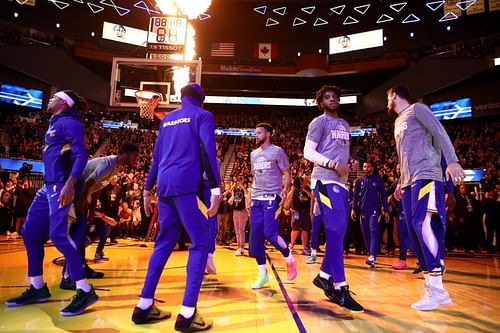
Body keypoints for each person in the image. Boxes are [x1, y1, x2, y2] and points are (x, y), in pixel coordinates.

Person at [132, 83, 221, 332]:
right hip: (187, 186)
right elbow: (206, 149)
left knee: (163, 243)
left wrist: (147, 189)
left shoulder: (167, 119)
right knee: (201, 241)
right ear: (201, 100)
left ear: (181, 97)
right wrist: (215, 188)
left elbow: (157, 157)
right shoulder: (203, 115)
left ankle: (144, 305)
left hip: (164, 187)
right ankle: (187, 313)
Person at [5, 90, 98, 316]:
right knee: (30, 233)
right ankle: (38, 287)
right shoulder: (55, 122)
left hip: (61, 185)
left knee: (58, 236)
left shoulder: (70, 123)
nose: (50, 100)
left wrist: (70, 183)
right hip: (48, 186)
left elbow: (81, 155)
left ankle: (84, 290)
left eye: (55, 98)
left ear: (64, 104)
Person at [387, 84, 465, 311]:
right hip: (410, 181)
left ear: (394, 95)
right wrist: (401, 181)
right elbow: (404, 155)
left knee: (423, 224)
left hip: (427, 175)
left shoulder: (418, 110)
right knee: (412, 230)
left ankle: (438, 288)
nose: (387, 102)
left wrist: (452, 161)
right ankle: (432, 286)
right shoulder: (397, 122)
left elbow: (439, 132)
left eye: (387, 97)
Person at [303, 84, 363, 312]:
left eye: (335, 96)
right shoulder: (319, 122)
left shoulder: (345, 125)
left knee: (339, 231)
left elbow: (340, 154)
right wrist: (333, 164)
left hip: (341, 183)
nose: (332, 99)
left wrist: (349, 165)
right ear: (321, 103)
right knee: (336, 229)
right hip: (324, 180)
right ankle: (340, 286)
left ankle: (324, 275)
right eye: (327, 97)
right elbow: (308, 152)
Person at [60, 143, 140, 289]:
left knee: (81, 234)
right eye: (135, 155)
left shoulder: (116, 167)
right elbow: (86, 184)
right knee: (75, 235)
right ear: (126, 153)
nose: (137, 159)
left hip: (83, 196)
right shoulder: (108, 164)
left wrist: (91, 208)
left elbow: (97, 188)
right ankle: (67, 276)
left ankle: (82, 267)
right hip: (74, 194)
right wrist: (81, 206)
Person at [248, 123, 297, 289]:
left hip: (271, 196)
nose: (256, 135)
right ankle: (263, 274)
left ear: (268, 134)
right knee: (255, 237)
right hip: (256, 197)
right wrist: (250, 196)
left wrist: (285, 190)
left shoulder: (277, 151)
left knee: (270, 233)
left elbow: (287, 172)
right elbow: (255, 176)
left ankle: (289, 257)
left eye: (259, 132)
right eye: (255, 133)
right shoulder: (253, 154)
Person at [351, 161, 390, 268]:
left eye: (368, 166)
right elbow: (355, 196)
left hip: (374, 211)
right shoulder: (359, 180)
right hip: (363, 211)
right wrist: (353, 209)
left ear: (372, 167)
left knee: (374, 232)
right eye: (364, 166)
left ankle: (372, 256)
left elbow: (383, 196)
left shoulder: (378, 180)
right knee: (366, 233)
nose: (366, 168)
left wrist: (386, 210)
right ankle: (370, 255)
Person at [285, 175, 313, 255]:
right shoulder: (295, 189)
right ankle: (291, 246)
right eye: (303, 180)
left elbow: (312, 197)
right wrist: (293, 189)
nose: (305, 181)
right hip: (297, 211)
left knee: (305, 230)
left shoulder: (308, 188)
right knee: (295, 229)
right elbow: (288, 197)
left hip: (306, 212)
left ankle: (304, 248)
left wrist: (305, 190)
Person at [229, 176, 249, 255]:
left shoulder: (246, 188)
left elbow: (247, 194)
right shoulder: (235, 189)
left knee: (241, 230)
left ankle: (242, 247)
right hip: (235, 210)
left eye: (240, 179)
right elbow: (230, 194)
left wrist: (242, 186)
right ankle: (238, 247)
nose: (238, 181)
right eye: (238, 180)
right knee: (237, 230)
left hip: (242, 211)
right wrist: (233, 186)